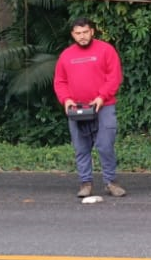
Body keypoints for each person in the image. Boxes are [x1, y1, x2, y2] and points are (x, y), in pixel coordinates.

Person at [53, 17, 125, 197]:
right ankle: (85, 183)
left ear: (92, 31)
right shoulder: (66, 55)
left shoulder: (106, 50)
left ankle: (111, 182)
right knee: (81, 147)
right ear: (73, 35)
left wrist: (101, 96)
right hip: (76, 108)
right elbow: (60, 81)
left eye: (85, 32)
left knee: (105, 145)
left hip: (104, 106)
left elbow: (114, 77)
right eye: (78, 33)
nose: (82, 36)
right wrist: (66, 99)